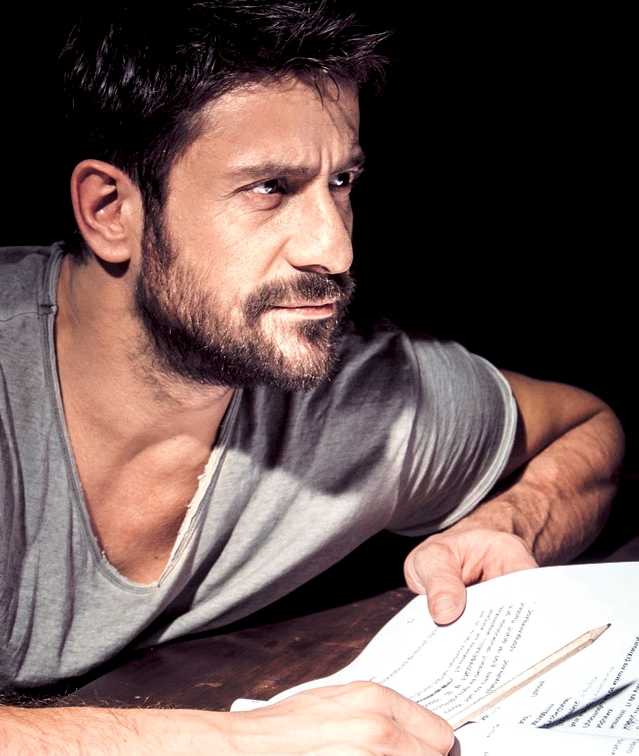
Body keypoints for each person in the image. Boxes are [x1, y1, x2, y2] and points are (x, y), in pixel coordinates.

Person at [0, 2, 623, 753]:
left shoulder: (363, 398)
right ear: (110, 210)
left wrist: (506, 525)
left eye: (342, 181)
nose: (334, 250)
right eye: (269, 187)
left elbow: (589, 430)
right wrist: (239, 744)